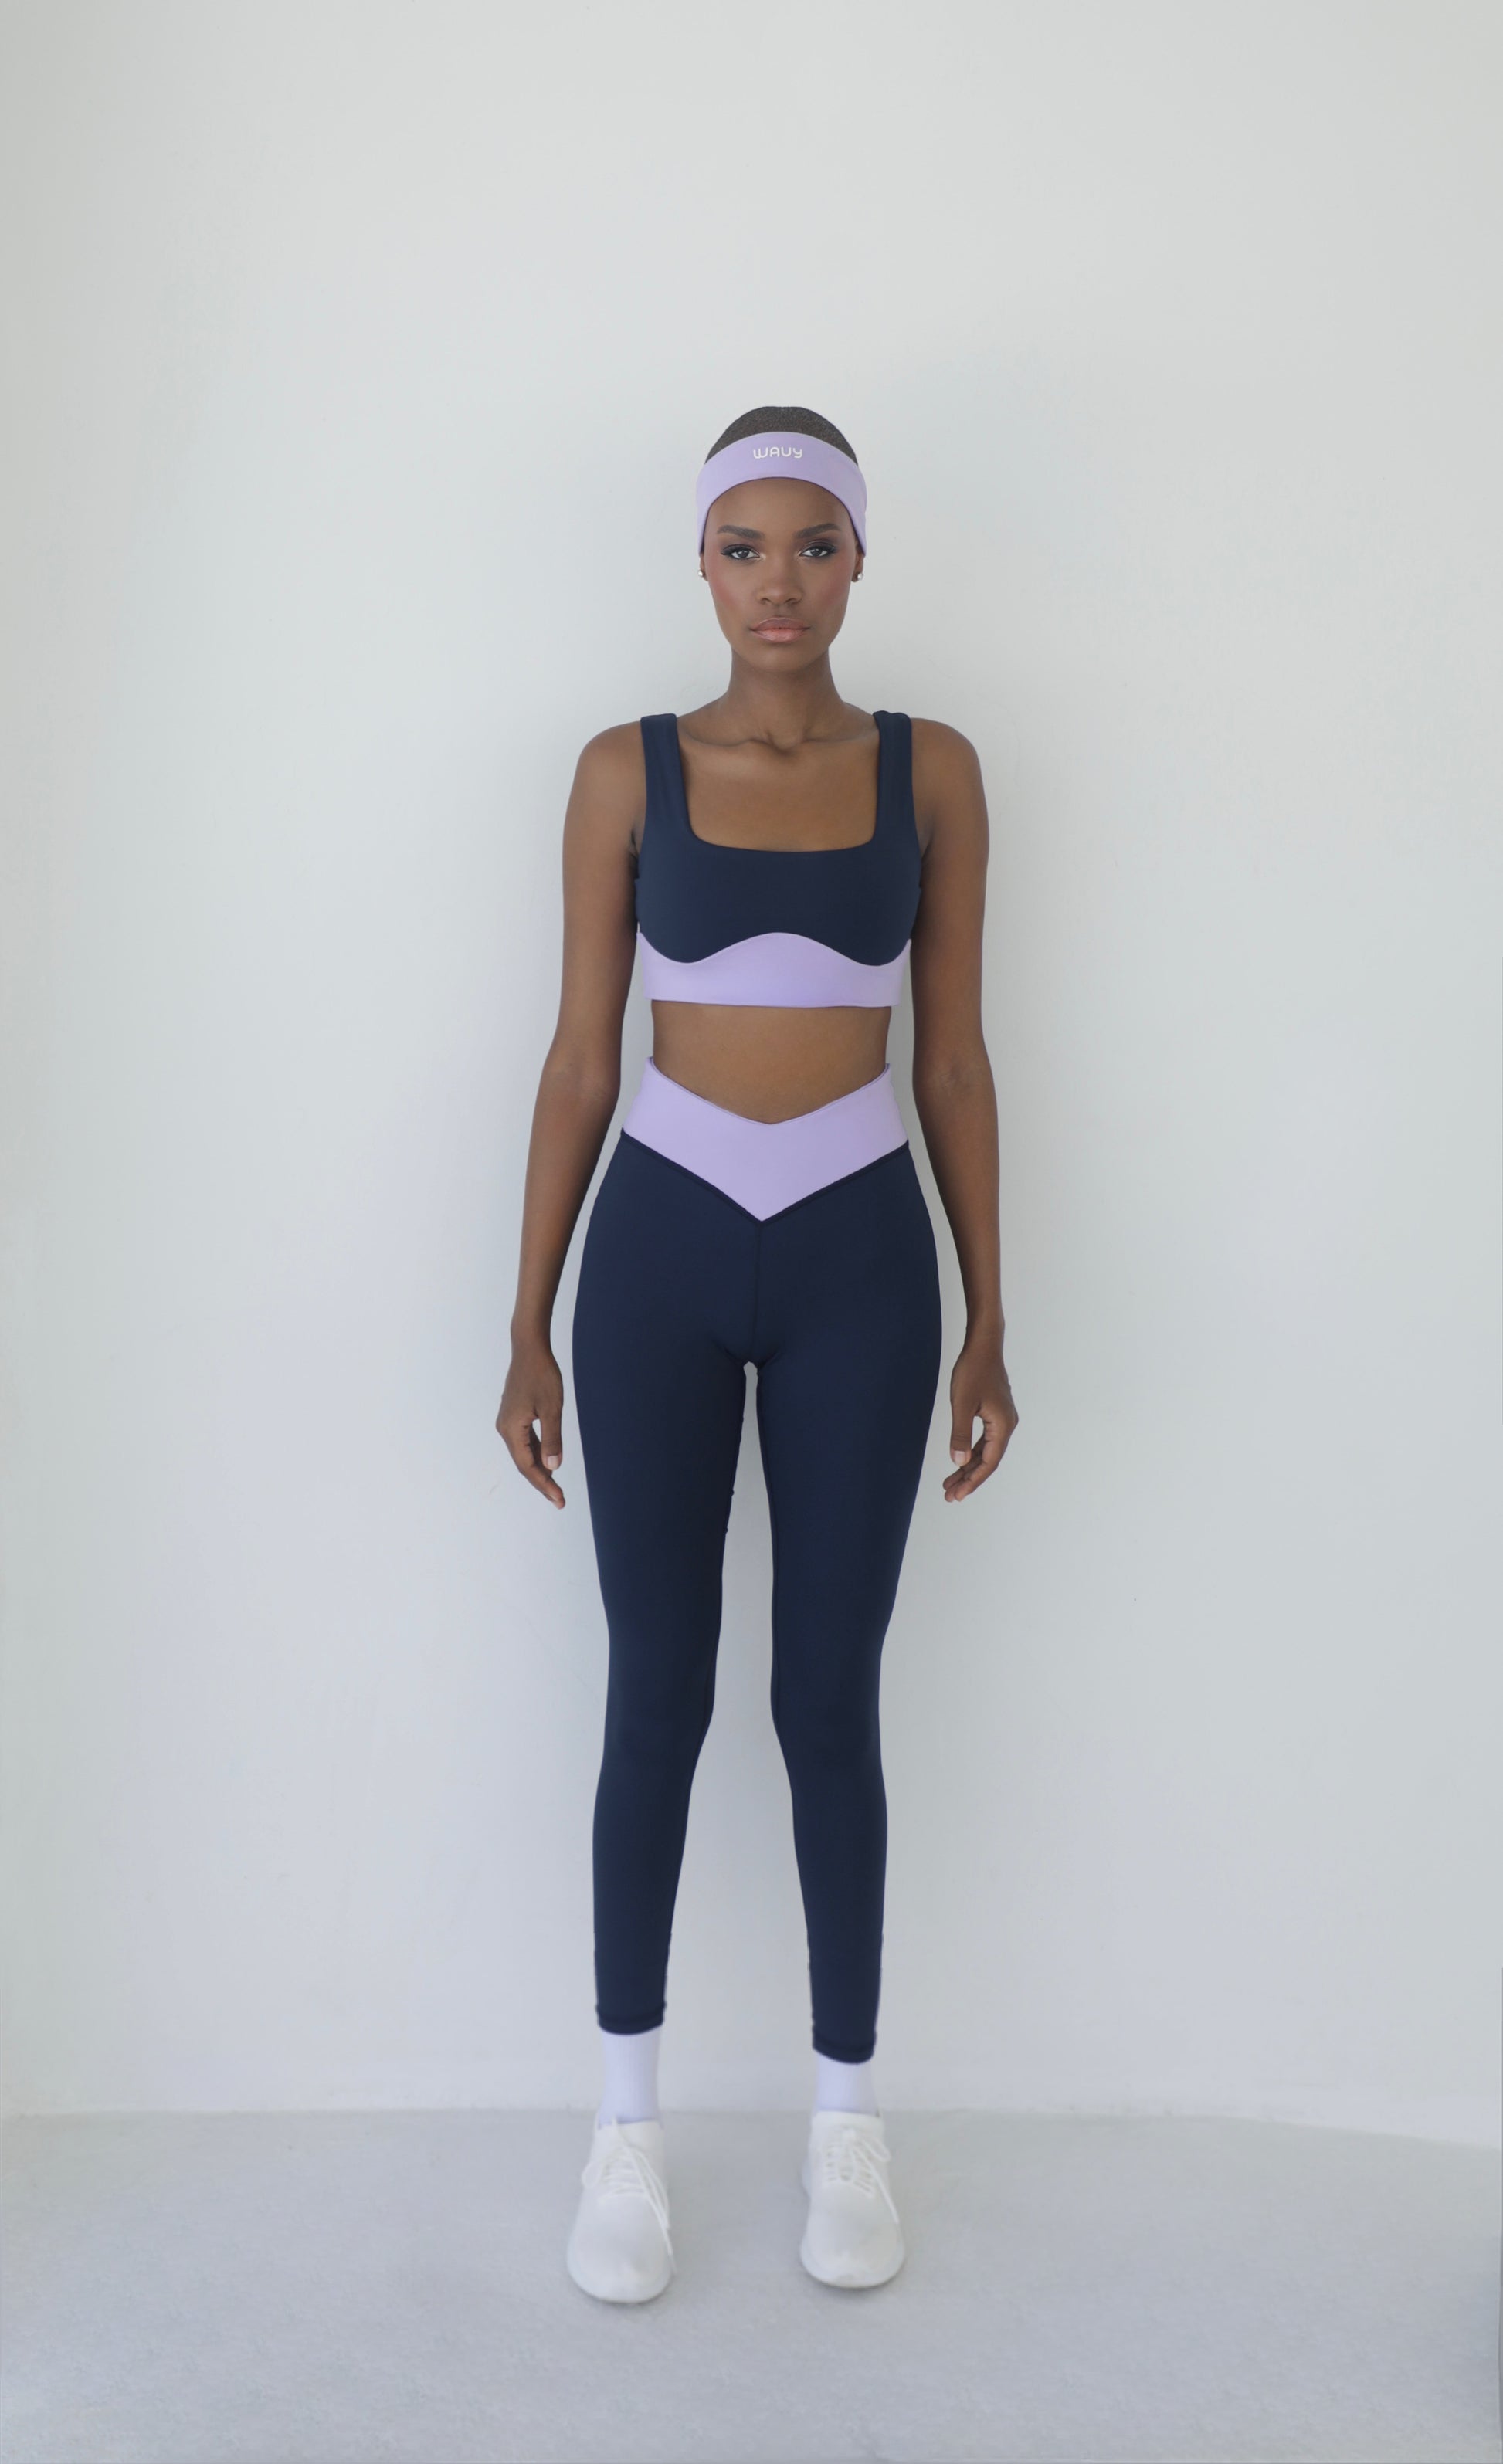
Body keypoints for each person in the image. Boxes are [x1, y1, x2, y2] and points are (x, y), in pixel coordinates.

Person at [497, 405, 1018, 2302]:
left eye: (812, 545)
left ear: (859, 558)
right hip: (658, 1250)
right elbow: (582, 1056)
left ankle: (845, 2124)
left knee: (826, 1697)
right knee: (656, 1688)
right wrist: (527, 1317)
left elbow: (949, 1056)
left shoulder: (930, 771)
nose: (776, 583)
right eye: (743, 547)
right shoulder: (624, 772)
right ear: (701, 564)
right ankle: (623, 2132)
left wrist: (989, 1312)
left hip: (862, 1260)